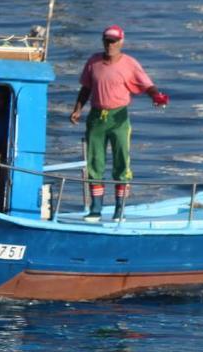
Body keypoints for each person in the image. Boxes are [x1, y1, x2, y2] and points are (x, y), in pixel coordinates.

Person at [69, 25, 168, 222]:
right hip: (97, 117)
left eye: (114, 41)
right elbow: (86, 88)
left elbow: (146, 84)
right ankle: (95, 209)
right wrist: (78, 109)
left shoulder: (130, 63)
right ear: (102, 41)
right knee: (95, 161)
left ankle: (119, 209)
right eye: (107, 40)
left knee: (121, 161)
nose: (110, 44)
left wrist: (156, 96)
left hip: (119, 118)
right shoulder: (93, 62)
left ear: (121, 42)